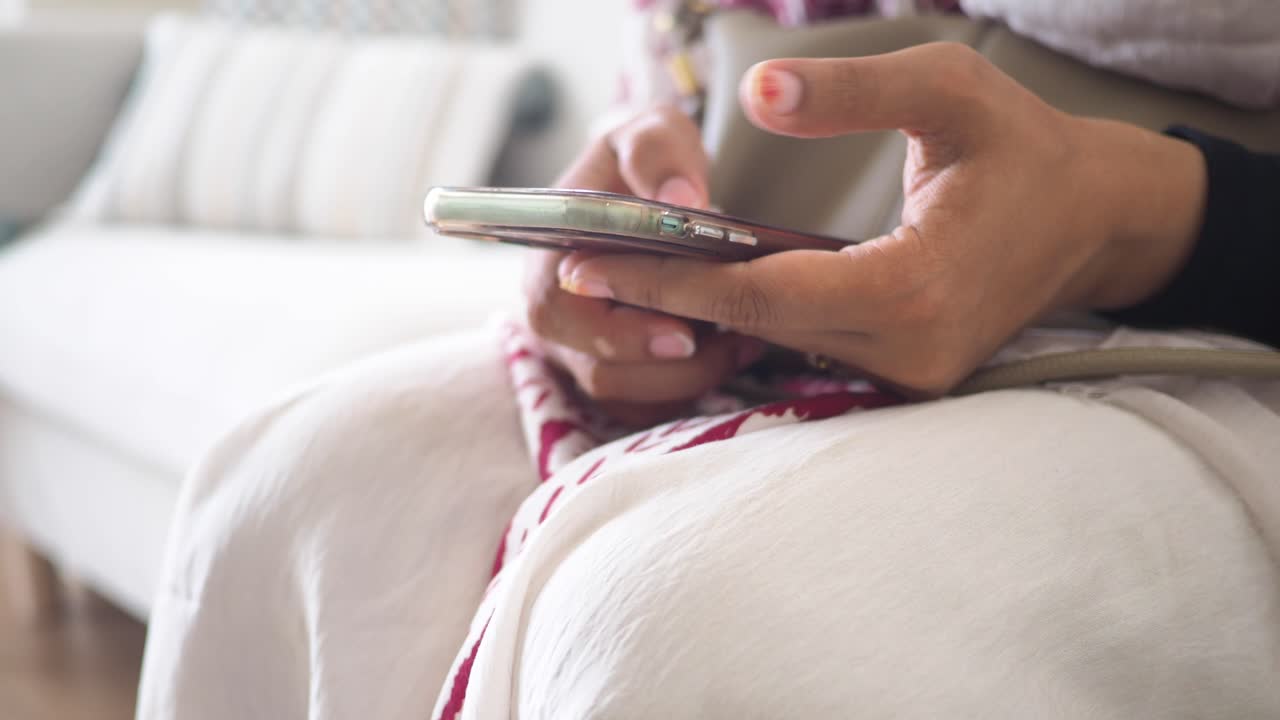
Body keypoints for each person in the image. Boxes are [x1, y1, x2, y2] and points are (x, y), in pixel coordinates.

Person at [135, 8, 1280, 720]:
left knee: (679, 624)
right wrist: (620, 231)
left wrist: (1139, 219)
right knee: (288, 482)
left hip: (1223, 312)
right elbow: (683, 76)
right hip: (818, 271)